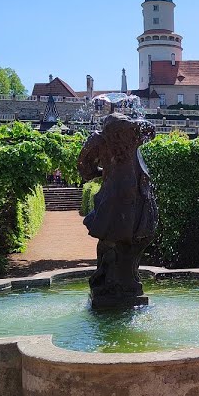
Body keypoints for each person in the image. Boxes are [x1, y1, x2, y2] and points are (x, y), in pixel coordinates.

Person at [77, 113, 158, 306]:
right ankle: (127, 281)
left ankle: (110, 282)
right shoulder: (134, 135)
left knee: (109, 239)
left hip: (112, 195)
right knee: (135, 237)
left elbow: (84, 167)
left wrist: (101, 172)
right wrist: (134, 123)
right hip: (138, 194)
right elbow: (152, 131)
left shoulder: (98, 139)